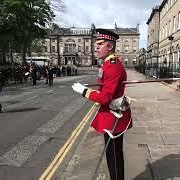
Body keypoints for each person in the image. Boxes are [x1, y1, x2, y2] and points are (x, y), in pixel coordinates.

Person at [72, 28, 132, 180]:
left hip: (114, 116)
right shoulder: (106, 64)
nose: (96, 47)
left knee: (114, 156)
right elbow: (105, 88)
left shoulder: (112, 65)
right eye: (96, 44)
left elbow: (105, 98)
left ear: (110, 46)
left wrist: (85, 92)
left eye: (100, 44)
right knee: (111, 154)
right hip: (111, 113)